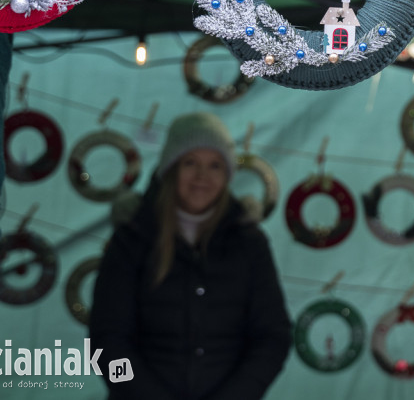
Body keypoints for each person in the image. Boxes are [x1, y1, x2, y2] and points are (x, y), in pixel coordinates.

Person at [90, 112, 291, 399]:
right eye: (190, 163)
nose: (202, 177)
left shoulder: (249, 242)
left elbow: (272, 336)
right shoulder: (133, 236)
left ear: (227, 174)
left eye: (214, 165)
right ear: (171, 168)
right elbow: (107, 341)